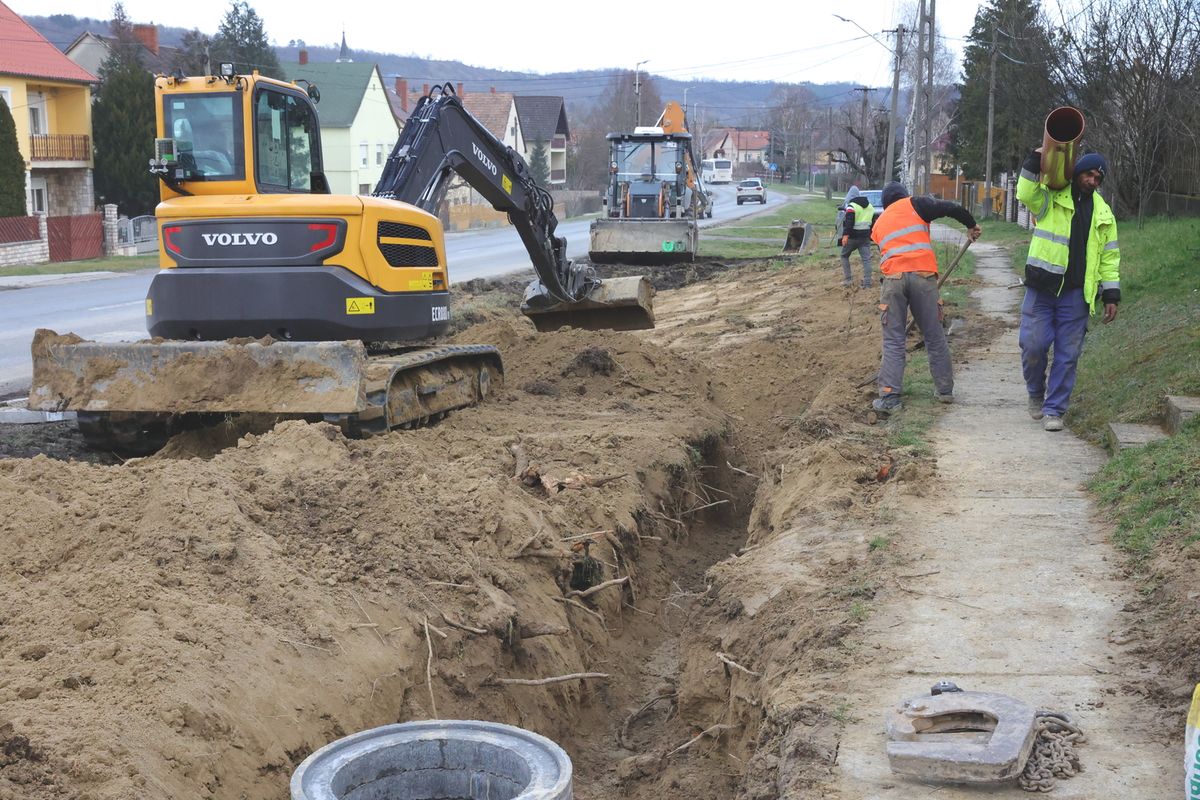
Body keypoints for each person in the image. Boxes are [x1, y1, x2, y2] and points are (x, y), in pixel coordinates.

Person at [1015, 149, 1119, 431]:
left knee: (1067, 355)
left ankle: (1054, 410)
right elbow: (1024, 193)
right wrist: (1033, 160)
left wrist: (1111, 293)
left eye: (1098, 178)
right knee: (1033, 346)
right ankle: (1036, 394)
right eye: (1089, 174)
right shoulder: (1051, 196)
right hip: (1042, 288)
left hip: (1076, 294)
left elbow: (1110, 257)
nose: (1093, 181)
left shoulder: (1104, 213)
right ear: (1077, 172)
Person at [871, 182, 982, 412]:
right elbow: (950, 208)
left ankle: (890, 398)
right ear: (904, 196)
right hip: (923, 278)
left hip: (892, 281)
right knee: (934, 335)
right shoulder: (916, 204)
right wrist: (970, 225)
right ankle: (944, 391)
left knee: (893, 340)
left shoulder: (878, 222)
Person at [840, 191, 876, 288]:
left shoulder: (851, 206)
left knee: (844, 255)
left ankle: (848, 280)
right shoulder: (870, 207)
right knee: (866, 259)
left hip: (852, 237)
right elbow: (872, 223)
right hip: (865, 237)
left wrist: (845, 235)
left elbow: (849, 222)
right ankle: (867, 283)